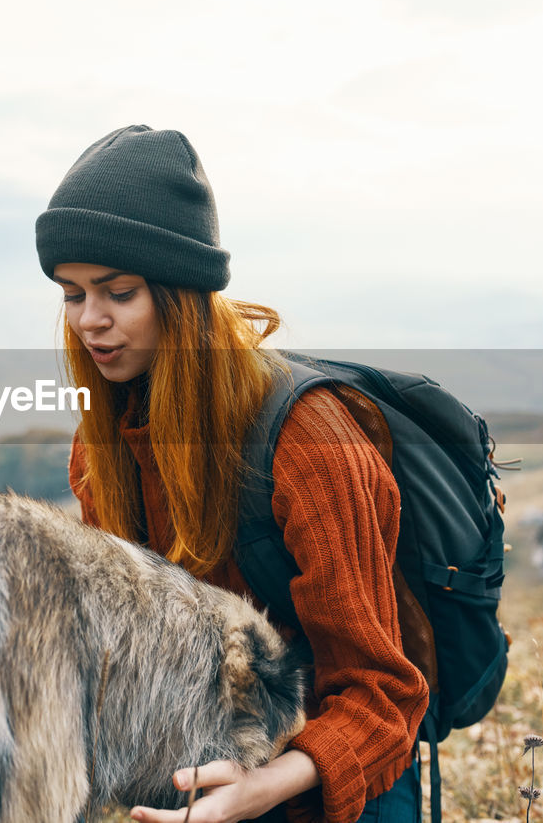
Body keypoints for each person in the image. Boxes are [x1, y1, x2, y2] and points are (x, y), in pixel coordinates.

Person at [35, 124, 429, 823]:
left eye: (118, 292)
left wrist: (263, 789)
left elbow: (383, 696)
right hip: (200, 778)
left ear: (181, 293)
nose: (90, 320)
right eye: (72, 294)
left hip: (340, 777)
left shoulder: (308, 443)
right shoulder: (101, 451)